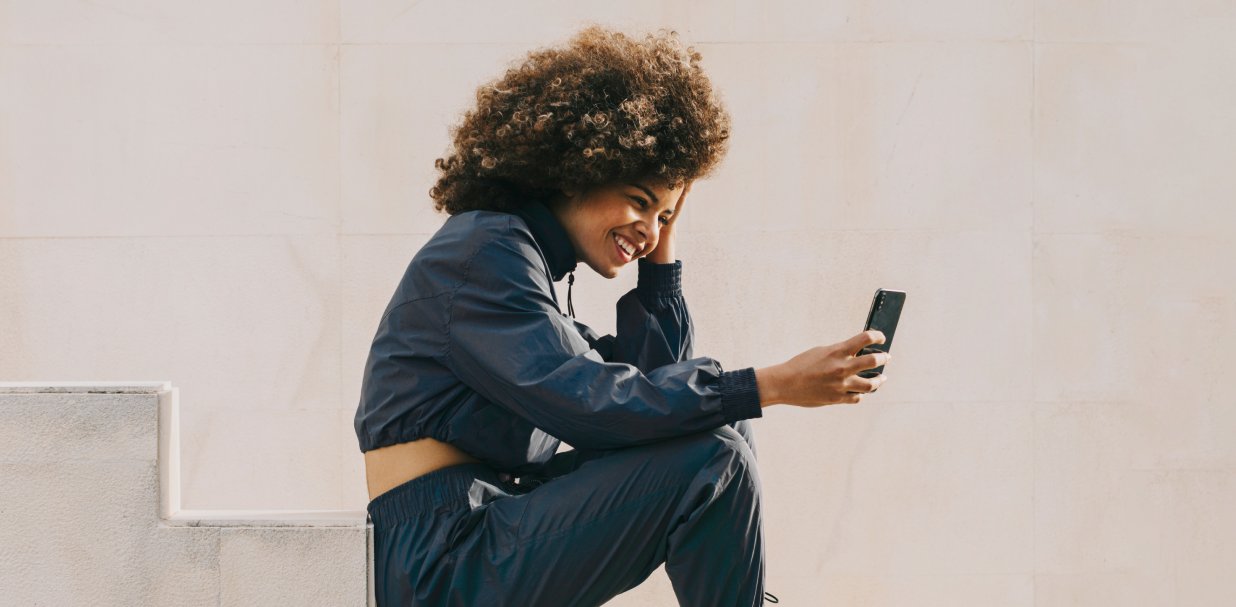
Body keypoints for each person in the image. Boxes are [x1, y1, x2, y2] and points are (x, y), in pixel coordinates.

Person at [355, 24, 891, 607]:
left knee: (721, 433)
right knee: (718, 456)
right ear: (574, 169)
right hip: (442, 555)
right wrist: (772, 384)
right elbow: (593, 405)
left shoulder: (528, 265)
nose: (649, 228)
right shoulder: (485, 255)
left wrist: (662, 247)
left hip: (491, 518)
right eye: (639, 200)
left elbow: (654, 395)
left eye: (664, 215)